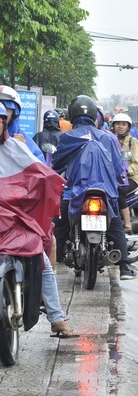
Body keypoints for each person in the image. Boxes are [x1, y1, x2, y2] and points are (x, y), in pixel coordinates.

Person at [0, 103, 78, 338]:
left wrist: (55, 186)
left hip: (16, 221)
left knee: (42, 261)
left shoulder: (17, 147)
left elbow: (42, 175)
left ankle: (56, 318)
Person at [52, 95, 136, 280]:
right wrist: (118, 183)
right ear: (93, 115)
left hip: (74, 191)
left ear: (71, 114)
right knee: (115, 224)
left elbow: (56, 164)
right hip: (105, 191)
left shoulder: (68, 137)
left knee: (59, 224)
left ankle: (53, 264)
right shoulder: (109, 137)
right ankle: (124, 268)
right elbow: (118, 166)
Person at [111, 113, 138, 233]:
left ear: (128, 127)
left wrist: (124, 171)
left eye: (123, 124)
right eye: (118, 124)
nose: (120, 126)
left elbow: (136, 164)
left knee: (119, 191)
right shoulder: (109, 139)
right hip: (112, 177)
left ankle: (128, 224)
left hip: (130, 179)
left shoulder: (133, 142)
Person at [0, 85, 44, 162]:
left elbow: (40, 169)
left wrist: (24, 151)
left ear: (14, 113)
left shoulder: (23, 141)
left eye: (5, 110)